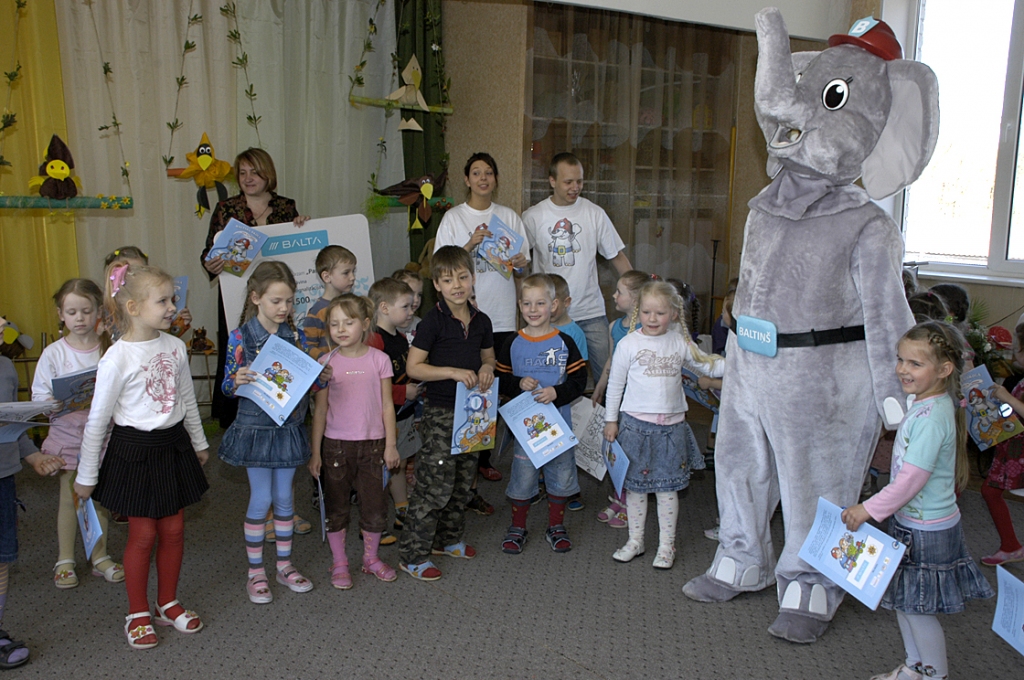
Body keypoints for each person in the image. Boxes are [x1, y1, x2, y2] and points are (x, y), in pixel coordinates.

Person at [842, 321, 993, 680]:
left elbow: (911, 481)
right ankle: (916, 667)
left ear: (944, 370)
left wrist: (868, 509)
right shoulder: (929, 404)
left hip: (927, 531)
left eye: (915, 364)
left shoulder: (933, 417)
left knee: (919, 610)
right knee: (907, 605)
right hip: (913, 523)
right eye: (901, 360)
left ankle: (934, 674)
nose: (902, 369)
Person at [74, 263, 210, 650]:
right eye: (163, 300)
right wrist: (86, 475)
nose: (172, 307)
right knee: (143, 534)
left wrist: (199, 443)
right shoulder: (116, 358)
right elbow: (97, 422)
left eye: (173, 299)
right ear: (132, 307)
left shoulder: (176, 346)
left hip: (173, 447)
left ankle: (167, 602)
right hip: (134, 452)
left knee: (174, 529)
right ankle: (136, 611)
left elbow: (186, 400)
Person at [217, 261, 321, 604]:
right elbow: (226, 389)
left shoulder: (297, 335)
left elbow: (307, 381)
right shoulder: (240, 337)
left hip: (287, 427)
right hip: (255, 429)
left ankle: (285, 566)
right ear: (256, 298)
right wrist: (237, 379)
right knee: (260, 500)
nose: (284, 308)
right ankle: (255, 571)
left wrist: (323, 375)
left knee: (287, 499)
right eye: (277, 301)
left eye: (289, 301)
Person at [603, 281, 723, 569]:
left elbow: (708, 365)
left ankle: (666, 545)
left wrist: (742, 362)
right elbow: (615, 384)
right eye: (646, 312)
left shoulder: (680, 342)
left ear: (673, 314)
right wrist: (611, 420)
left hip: (671, 430)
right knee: (636, 489)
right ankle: (636, 540)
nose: (653, 319)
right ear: (638, 312)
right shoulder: (629, 344)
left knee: (667, 490)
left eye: (660, 313)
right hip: (634, 427)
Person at [398, 246, 495, 581]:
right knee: (433, 485)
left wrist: (486, 369)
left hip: (474, 416)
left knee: (461, 481)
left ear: (472, 278)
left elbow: (489, 358)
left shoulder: (482, 321)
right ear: (436, 285)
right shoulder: (431, 323)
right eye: (448, 279)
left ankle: (447, 539)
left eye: (463, 277)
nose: (457, 284)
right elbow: (415, 367)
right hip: (441, 413)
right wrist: (453, 372)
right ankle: (413, 555)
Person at [435, 152, 530, 484]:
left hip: (502, 316)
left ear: (496, 179)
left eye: (489, 172)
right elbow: (443, 267)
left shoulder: (508, 216)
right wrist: (469, 245)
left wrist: (519, 261)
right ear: (466, 179)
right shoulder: (454, 218)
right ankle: (464, 458)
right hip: (465, 317)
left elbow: (523, 267)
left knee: (493, 388)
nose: (483, 178)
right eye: (476, 172)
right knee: (467, 387)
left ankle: (484, 458)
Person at [200, 148, 308, 429]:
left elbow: (300, 246)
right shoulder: (227, 209)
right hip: (237, 294)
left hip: (275, 298)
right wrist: (211, 263)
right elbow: (208, 253)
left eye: (255, 172)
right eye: (243, 173)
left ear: (268, 174)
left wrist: (302, 226)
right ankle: (236, 416)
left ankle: (279, 404)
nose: (248, 179)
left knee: (279, 345)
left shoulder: (286, 206)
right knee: (238, 348)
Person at [31, 279, 123, 589]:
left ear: (99, 311)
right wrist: (53, 403)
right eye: (72, 312)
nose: (80, 318)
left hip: (103, 437)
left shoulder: (109, 348)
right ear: (61, 314)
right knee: (69, 498)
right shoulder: (54, 353)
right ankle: (65, 559)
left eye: (86, 311)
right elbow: (39, 398)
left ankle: (99, 556)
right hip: (68, 437)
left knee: (99, 500)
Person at [309, 295, 400, 588]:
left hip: (374, 445)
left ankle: (370, 559)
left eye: (348, 322)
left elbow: (388, 406)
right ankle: (339, 562)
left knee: (374, 505)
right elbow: (320, 409)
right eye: (334, 324)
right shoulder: (327, 362)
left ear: (364, 323)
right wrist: (315, 452)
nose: (341, 329)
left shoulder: (380, 360)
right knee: (337, 507)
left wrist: (391, 444)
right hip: (336, 446)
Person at [495, 274, 587, 554]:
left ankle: (556, 526)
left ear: (554, 305)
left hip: (558, 424)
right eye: (526, 304)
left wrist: (557, 393)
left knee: (560, 474)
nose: (533, 310)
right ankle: (518, 526)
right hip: (524, 429)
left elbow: (579, 381)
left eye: (540, 303)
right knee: (522, 475)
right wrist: (517, 383)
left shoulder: (565, 342)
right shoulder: (512, 342)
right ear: (519, 306)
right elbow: (500, 378)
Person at [522, 152, 633, 387]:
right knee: (552, 380)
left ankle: (612, 421)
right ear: (552, 181)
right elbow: (520, 263)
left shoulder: (595, 213)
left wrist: (639, 292)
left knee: (609, 375)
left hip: (591, 312)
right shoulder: (533, 216)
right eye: (568, 182)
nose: (575, 187)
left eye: (579, 181)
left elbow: (617, 256)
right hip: (550, 316)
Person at [0, 317, 64, 669]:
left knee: (1, 557)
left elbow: (14, 424)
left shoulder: (6, 367)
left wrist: (34, 455)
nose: (1, 323)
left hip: (3, 476)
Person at [591, 270, 651, 528]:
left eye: (619, 292)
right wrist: (600, 386)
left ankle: (631, 503)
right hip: (618, 402)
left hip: (639, 405)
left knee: (635, 456)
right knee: (617, 452)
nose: (614, 295)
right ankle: (620, 496)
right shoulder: (615, 327)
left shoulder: (648, 329)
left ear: (636, 298)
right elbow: (611, 361)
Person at [368, 277, 423, 535]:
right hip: (383, 419)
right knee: (379, 470)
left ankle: (402, 509)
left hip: (403, 413)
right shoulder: (374, 342)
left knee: (397, 464)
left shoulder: (400, 337)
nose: (411, 312)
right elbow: (370, 388)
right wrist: (404, 392)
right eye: (406, 307)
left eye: (412, 306)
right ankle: (374, 521)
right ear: (385, 307)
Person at [978, 321, 1024, 566]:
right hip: (1012, 449)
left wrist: (1007, 398)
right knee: (990, 491)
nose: (1013, 352)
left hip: (1019, 454)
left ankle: (1011, 545)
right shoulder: (1020, 379)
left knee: (990, 491)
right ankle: (1010, 545)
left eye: (1017, 347)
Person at [302, 245, 358, 360]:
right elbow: (308, 346)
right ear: (327, 277)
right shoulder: (317, 312)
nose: (352, 277)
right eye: (346, 273)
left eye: (353, 271)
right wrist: (327, 360)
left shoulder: (353, 305)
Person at [392, 268, 424, 344]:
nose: (416, 300)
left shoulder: (420, 324)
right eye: (411, 294)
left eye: (419, 294)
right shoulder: (387, 324)